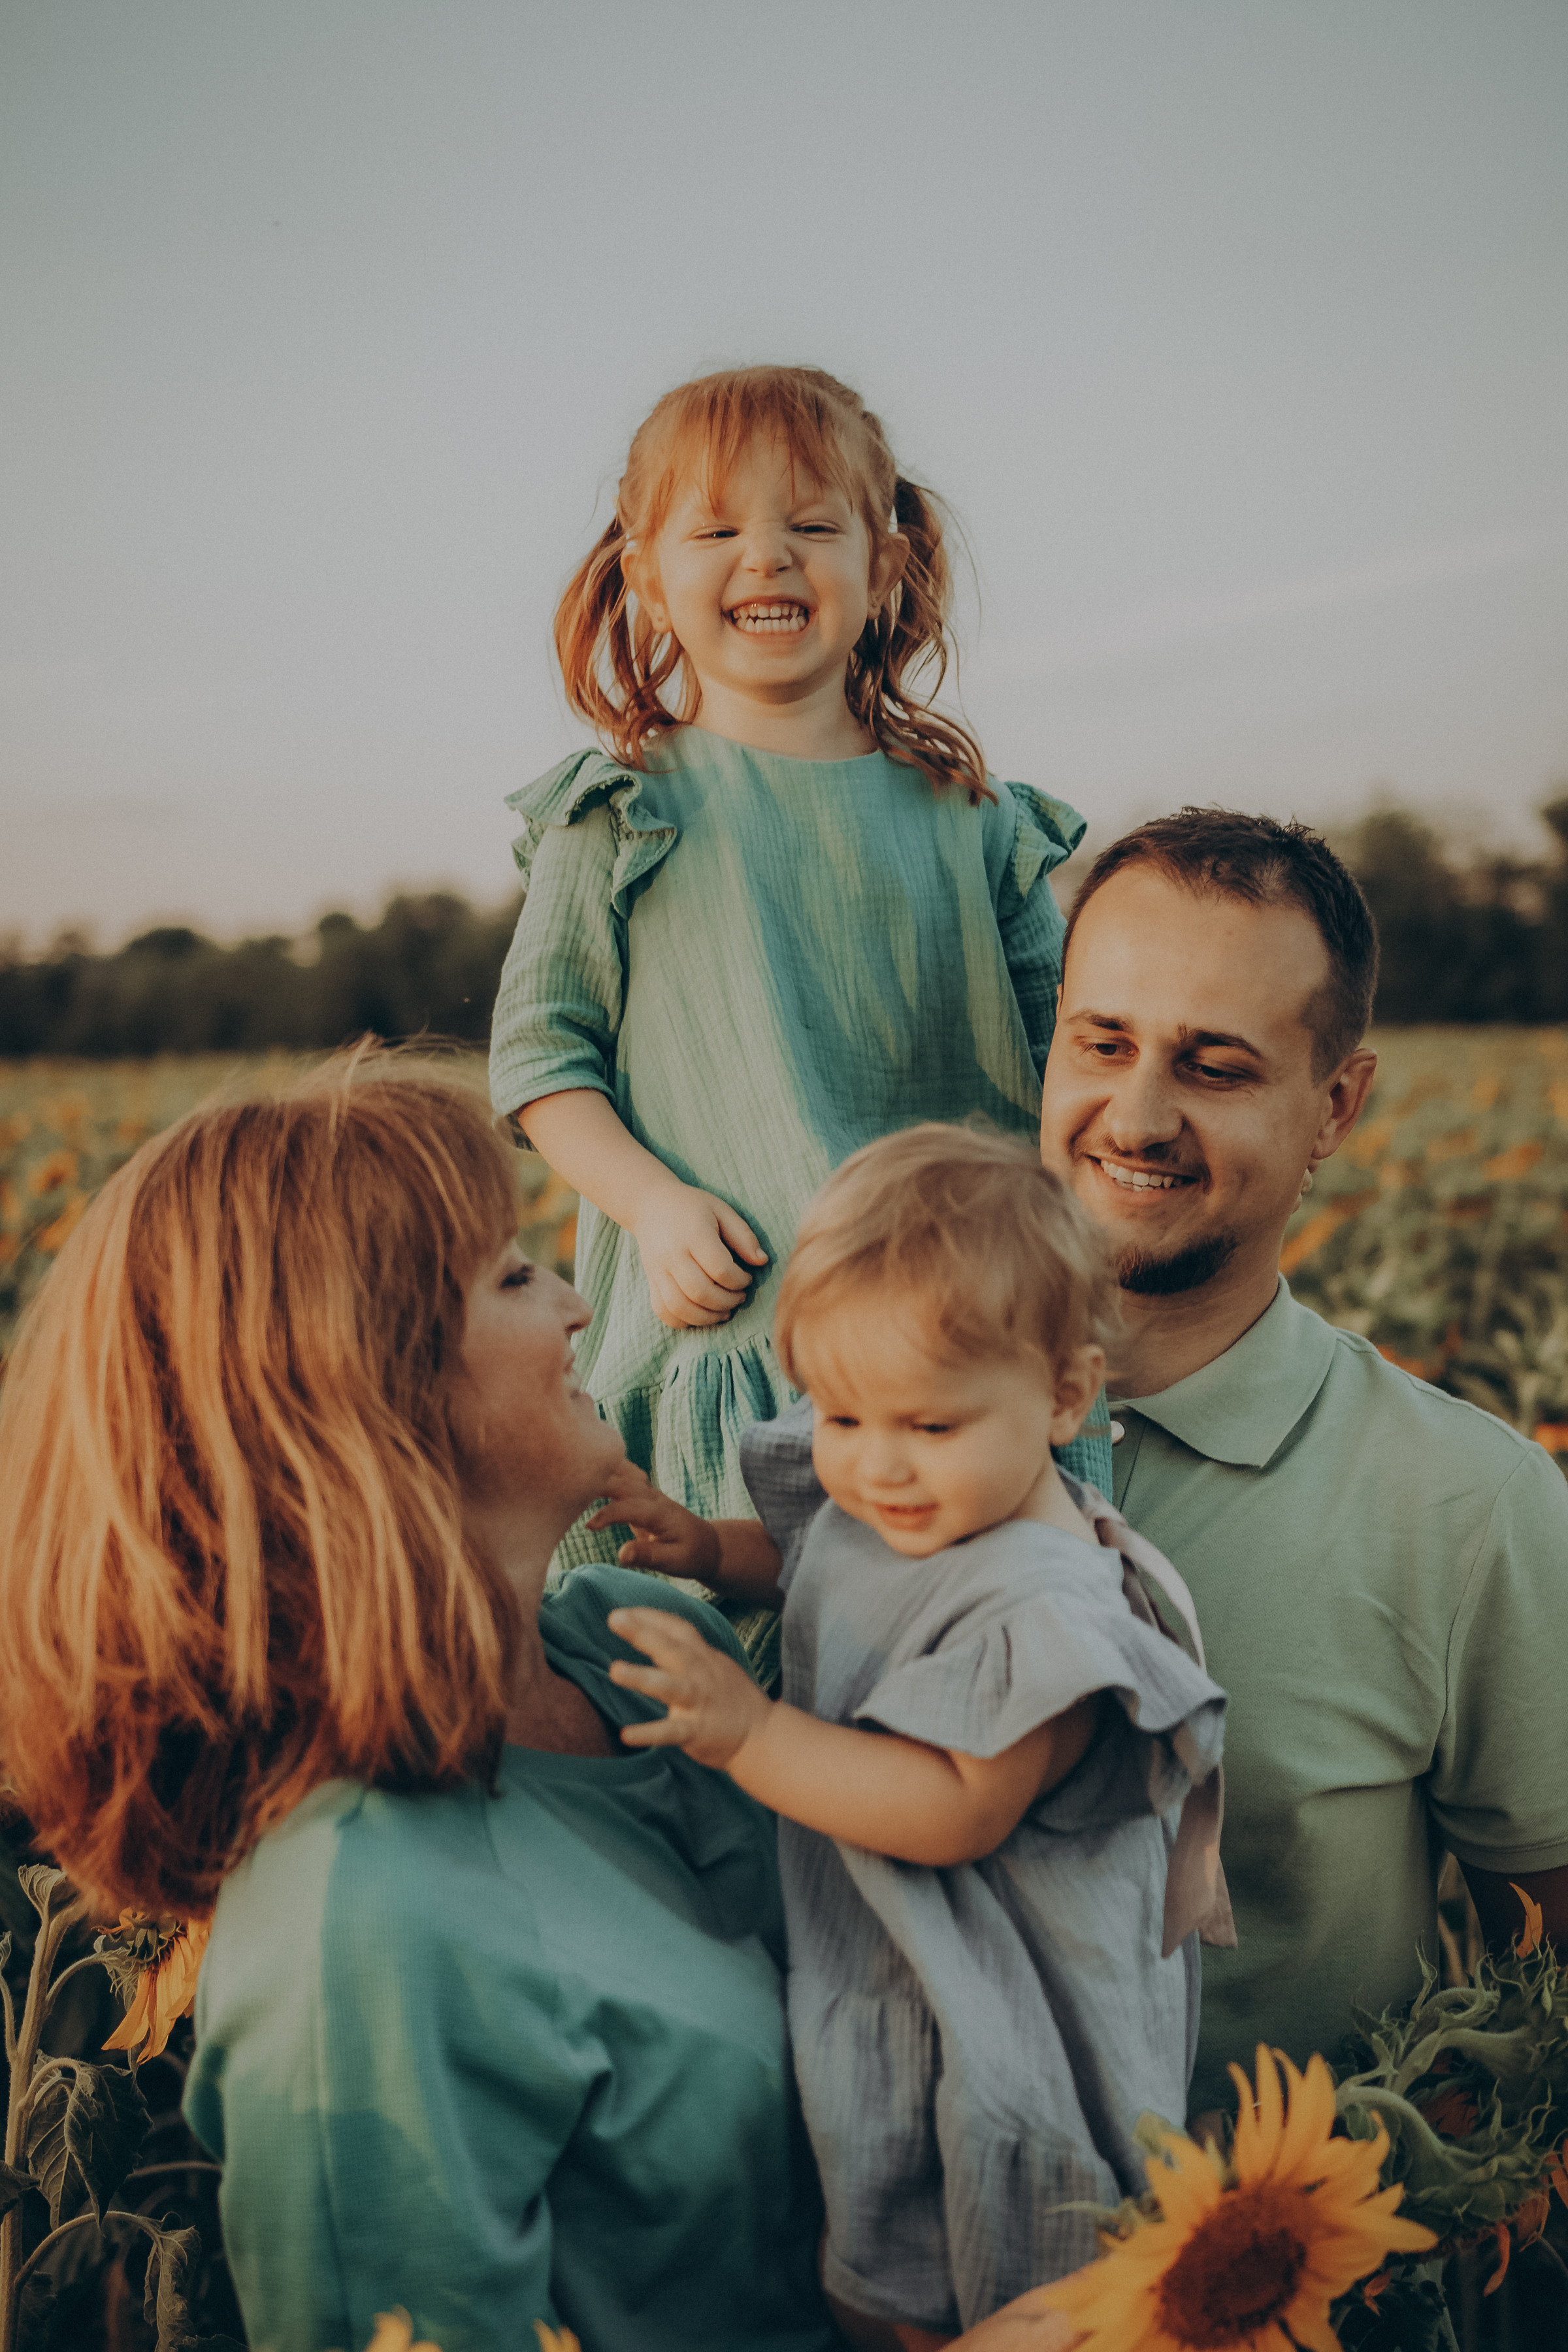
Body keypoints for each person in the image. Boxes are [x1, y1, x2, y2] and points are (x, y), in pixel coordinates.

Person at [0, 1058, 842, 2352]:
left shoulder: (646, 1646)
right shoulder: (360, 1932)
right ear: (358, 1396)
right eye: (513, 1274)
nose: (575, 1304)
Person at [487, 365, 1105, 1669]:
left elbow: (1069, 1070)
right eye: (716, 529)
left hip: (960, 1359)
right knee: (726, 1743)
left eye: (811, 525)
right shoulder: (622, 813)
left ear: (883, 560)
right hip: (729, 1337)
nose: (766, 555)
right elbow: (544, 1057)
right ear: (648, 575)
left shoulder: (978, 825)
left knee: (984, 1712)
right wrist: (651, 1204)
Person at [593, 1125, 1232, 2344]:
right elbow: (817, 1558)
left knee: (995, 2260)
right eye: (840, 1416)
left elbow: (956, 1807)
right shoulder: (897, 1494)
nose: (875, 1469)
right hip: (888, 1957)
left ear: (1062, 1394)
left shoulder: (1049, 1609)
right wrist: (708, 1544)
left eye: (927, 1429)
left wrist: (746, 1733)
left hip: (1010, 2005)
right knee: (873, 2202)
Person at [1037, 808, 1568, 2121]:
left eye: (1215, 1068)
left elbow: (1544, 1979)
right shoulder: (858, 1431)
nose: (1139, 1114)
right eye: (1102, 1043)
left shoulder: (1462, 1505)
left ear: (1337, 1105)